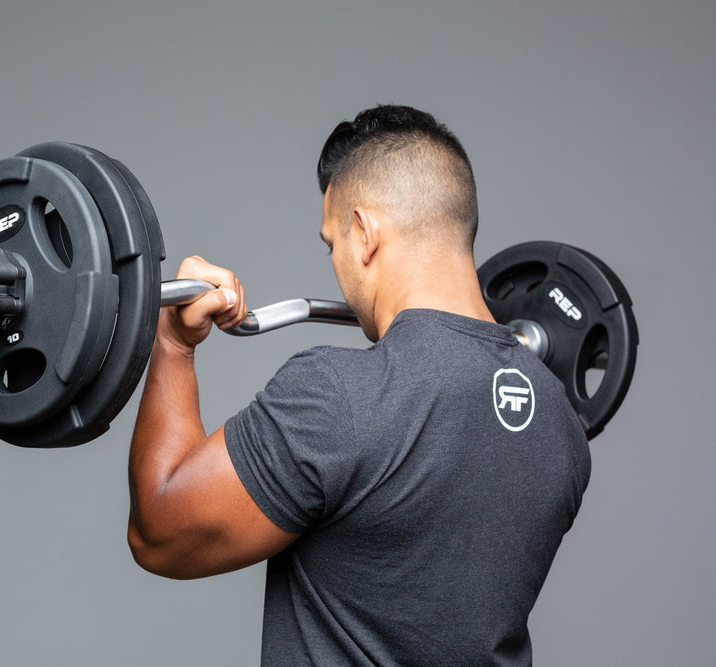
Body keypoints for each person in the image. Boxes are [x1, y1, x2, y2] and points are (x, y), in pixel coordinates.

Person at [126, 105, 591, 665]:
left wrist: (172, 345)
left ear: (364, 233)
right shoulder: (562, 425)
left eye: (331, 244)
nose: (336, 269)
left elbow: (158, 533)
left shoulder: (338, 395)